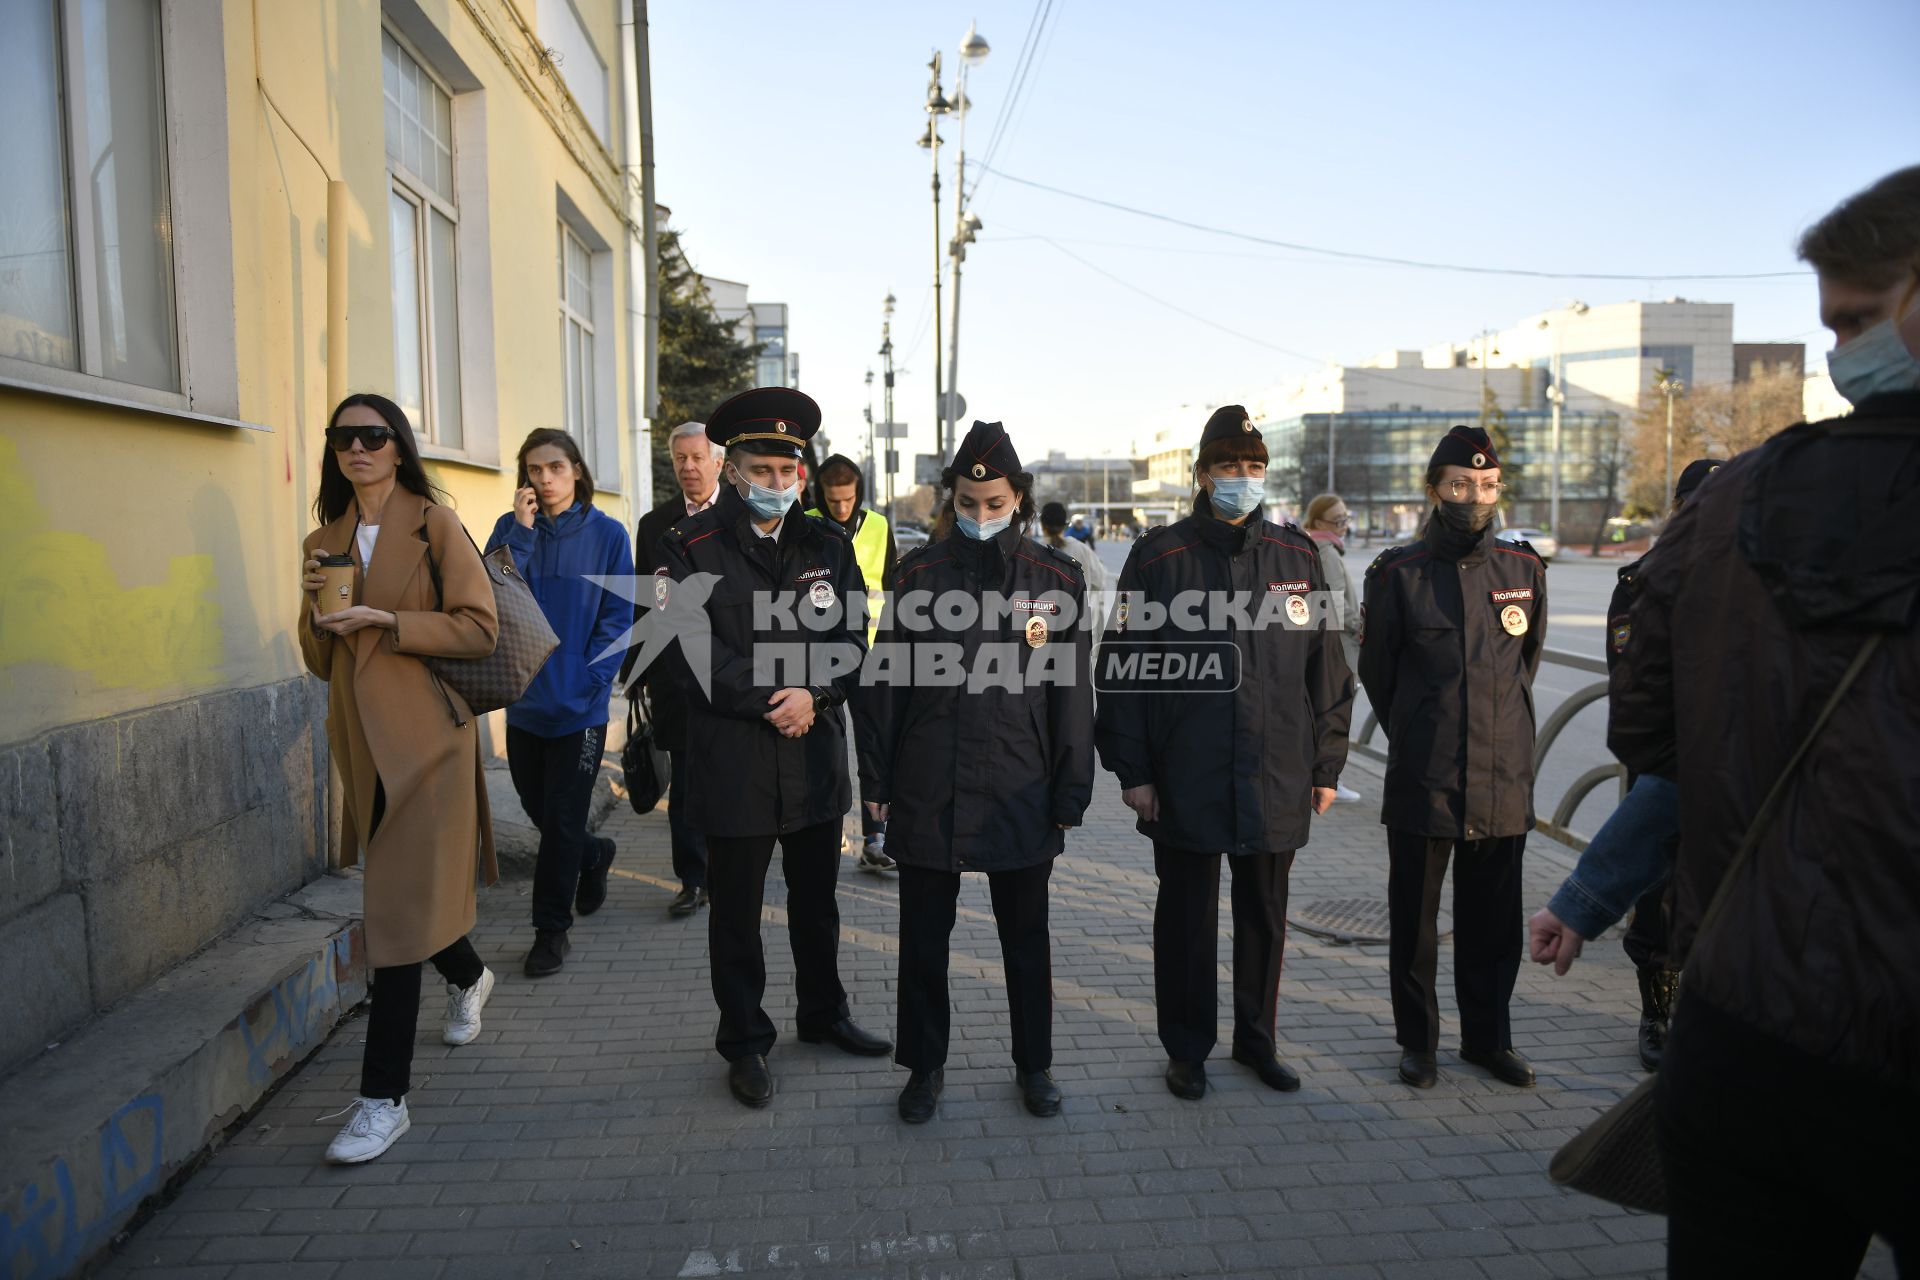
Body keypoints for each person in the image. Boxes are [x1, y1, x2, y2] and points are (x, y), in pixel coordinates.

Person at [1609, 166, 1920, 1278]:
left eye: (1853, 318)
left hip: (1745, 1026)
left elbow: (1645, 731)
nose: (1843, 351)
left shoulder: (1731, 495)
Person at [1095, 405, 1354, 1101]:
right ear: (1203, 474)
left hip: (1277, 772)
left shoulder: (1298, 557)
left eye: (1255, 468)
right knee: (1186, 919)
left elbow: (1328, 672)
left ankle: (1256, 1041)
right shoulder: (1161, 557)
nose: (1243, 479)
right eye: (1230, 468)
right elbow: (1121, 670)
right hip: (1187, 774)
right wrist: (1135, 772)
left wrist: (1326, 765)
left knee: (1265, 917)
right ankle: (1186, 1048)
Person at [656, 387, 891, 1108]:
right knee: (737, 914)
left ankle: (823, 1015)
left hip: (814, 756)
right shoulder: (686, 548)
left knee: (818, 904)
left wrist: (813, 696)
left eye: (790, 472)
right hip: (736, 763)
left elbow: (855, 639)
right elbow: (685, 654)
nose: (778, 485)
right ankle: (746, 1041)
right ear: (732, 470)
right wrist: (774, 700)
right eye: (763, 471)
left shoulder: (828, 543)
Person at [857, 423, 1096, 1124]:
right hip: (929, 785)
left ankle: (1035, 1066)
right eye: (969, 502)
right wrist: (876, 786)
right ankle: (924, 1069)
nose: (982, 515)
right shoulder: (917, 576)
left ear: (1018, 498)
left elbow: (1072, 698)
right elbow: (885, 687)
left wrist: (1070, 791)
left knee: (1026, 942)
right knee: (924, 943)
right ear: (950, 500)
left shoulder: (1055, 581)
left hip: (1021, 789)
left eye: (995, 502)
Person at [298, 393, 499, 1163]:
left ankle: (384, 1099)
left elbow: (479, 629)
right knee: (405, 898)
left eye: (373, 436)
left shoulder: (434, 522)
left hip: (430, 745)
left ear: (397, 445)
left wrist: (386, 622)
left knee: (391, 911)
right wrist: (319, 616)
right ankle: (470, 972)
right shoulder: (325, 538)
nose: (359, 449)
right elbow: (320, 662)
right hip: (365, 745)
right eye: (345, 438)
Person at [1359, 425, 1546, 1091]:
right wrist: (1418, 729)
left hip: (1503, 779)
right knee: (1414, 925)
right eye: (1461, 485)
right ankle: (1419, 1043)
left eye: (1488, 485)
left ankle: (1488, 1040)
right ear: (1435, 489)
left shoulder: (1524, 572)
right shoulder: (1399, 575)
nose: (1475, 496)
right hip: (1426, 778)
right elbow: (1379, 673)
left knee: (1493, 926)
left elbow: (1525, 663)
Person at [1523, 458, 1719, 1071]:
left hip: (1706, 779)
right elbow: (1633, 695)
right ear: (1678, 512)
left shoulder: (1768, 593)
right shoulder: (1647, 583)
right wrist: (1583, 901)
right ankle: (1657, 1010)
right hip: (1670, 765)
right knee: (1661, 900)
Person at [484, 429, 634, 977]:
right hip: (524, 702)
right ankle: (594, 856)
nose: (544, 479)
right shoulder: (509, 531)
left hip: (581, 707)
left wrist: (592, 681)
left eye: (554, 467)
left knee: (563, 819)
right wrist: (520, 535)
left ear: (575, 470)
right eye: (533, 470)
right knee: (539, 811)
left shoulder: (608, 535)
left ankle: (551, 932)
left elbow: (620, 617)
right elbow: (491, 595)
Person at [621, 421, 723, 917]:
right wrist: (636, 667)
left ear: (719, 462)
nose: (688, 467)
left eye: (697, 457)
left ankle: (733, 871)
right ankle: (693, 879)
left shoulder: (743, 516)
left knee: (735, 774)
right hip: (676, 677)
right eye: (679, 458)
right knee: (684, 782)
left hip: (734, 674)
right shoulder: (654, 524)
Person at [806, 452, 898, 873]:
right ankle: (824, 826)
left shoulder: (878, 526)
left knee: (874, 744)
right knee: (822, 744)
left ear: (858, 493)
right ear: (821, 495)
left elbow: (893, 587)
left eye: (848, 499)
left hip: (872, 652)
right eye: (833, 499)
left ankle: (875, 839)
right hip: (819, 653)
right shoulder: (804, 522)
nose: (841, 508)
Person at [1302, 493, 1364, 803]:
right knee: (1335, 712)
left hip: (1329, 644)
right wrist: (1362, 627)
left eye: (1345, 519)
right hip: (1338, 646)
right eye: (1336, 520)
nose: (1343, 526)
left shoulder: (1314, 547)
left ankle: (1326, 777)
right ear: (1317, 522)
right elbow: (1334, 604)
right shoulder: (1325, 551)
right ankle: (1329, 780)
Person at [1036, 500, 1110, 606]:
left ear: (1042, 525)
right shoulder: (1081, 549)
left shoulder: (1032, 551)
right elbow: (1100, 578)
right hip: (1077, 615)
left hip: (1041, 617)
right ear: (1064, 526)